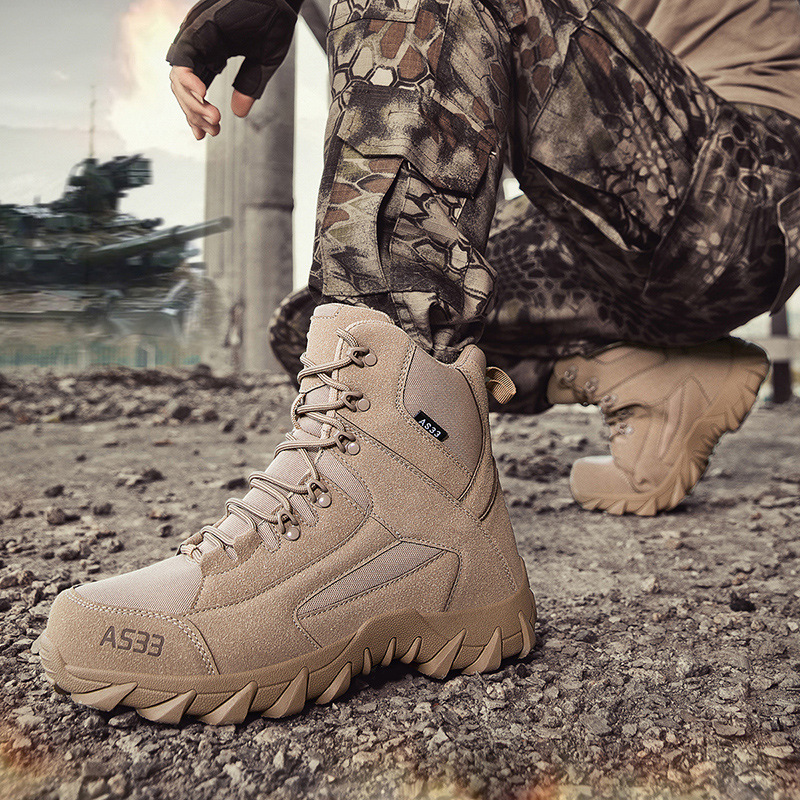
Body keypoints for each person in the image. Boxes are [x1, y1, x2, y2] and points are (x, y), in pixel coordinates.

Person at [35, 0, 800, 722]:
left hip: (748, 189)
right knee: (320, 323)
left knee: (390, 297)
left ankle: (382, 491)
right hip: (605, 237)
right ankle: (642, 375)